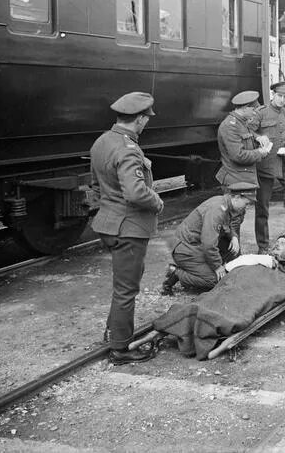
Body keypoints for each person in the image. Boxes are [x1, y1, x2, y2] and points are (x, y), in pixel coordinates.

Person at [89, 92, 163, 365]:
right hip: (129, 228)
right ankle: (120, 349)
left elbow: (96, 187)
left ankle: (113, 332)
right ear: (140, 119)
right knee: (126, 290)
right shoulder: (128, 148)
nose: (146, 124)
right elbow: (135, 193)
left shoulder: (102, 142)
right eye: (146, 119)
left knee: (123, 283)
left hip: (108, 224)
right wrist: (157, 201)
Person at [160, 183, 257, 294]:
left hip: (195, 245)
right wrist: (217, 266)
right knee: (215, 280)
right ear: (237, 197)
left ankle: (200, 269)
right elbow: (209, 244)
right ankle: (176, 273)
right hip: (186, 249)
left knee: (232, 251)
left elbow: (226, 226)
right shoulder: (217, 210)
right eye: (247, 203)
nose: (247, 207)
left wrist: (233, 236)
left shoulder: (225, 204)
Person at [249, 82, 285, 252]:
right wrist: (258, 137)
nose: (282, 100)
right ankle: (263, 245)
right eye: (279, 96)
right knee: (262, 207)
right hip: (265, 166)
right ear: (273, 94)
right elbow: (248, 133)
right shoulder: (260, 113)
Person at [215, 90, 271, 188]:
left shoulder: (241, 122)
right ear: (245, 108)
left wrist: (259, 137)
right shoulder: (230, 126)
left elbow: (247, 133)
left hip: (244, 177)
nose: (255, 114)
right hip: (237, 181)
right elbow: (238, 155)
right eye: (254, 110)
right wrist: (260, 152)